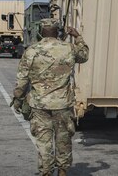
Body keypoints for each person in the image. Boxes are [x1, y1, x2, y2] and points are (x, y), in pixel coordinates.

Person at [11, 18, 89, 176]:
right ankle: (62, 172)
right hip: (62, 104)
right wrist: (78, 36)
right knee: (63, 140)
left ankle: (46, 172)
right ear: (58, 31)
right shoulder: (69, 48)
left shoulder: (32, 51)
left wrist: (18, 100)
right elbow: (84, 56)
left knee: (43, 142)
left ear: (41, 31)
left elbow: (22, 80)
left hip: (39, 106)